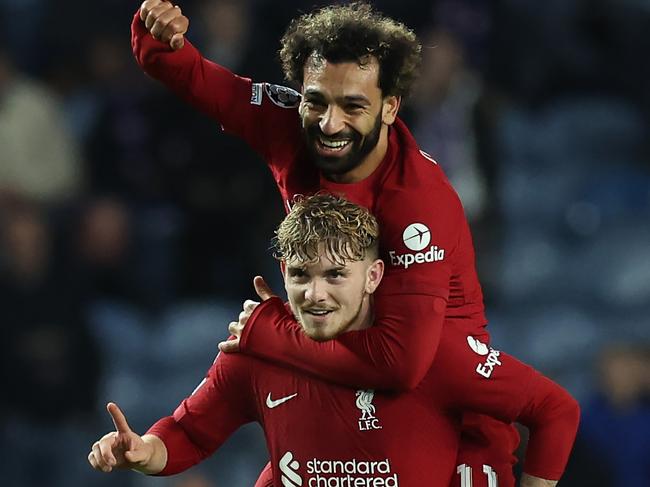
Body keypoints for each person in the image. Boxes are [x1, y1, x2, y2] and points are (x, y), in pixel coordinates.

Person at [132, 2, 539, 485]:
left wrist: (274, 331)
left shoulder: (417, 202)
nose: (329, 124)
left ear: (390, 106)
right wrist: (154, 33)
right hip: (337, 365)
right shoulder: (288, 126)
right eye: (316, 101)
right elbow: (194, 76)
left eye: (353, 106)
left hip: (442, 407)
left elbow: (401, 363)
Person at [88, 193, 579, 486]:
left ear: (373, 276)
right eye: (300, 275)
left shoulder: (428, 353)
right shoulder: (256, 352)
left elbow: (555, 410)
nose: (315, 294)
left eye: (335, 275)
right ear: (282, 272)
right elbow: (190, 432)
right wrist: (145, 451)